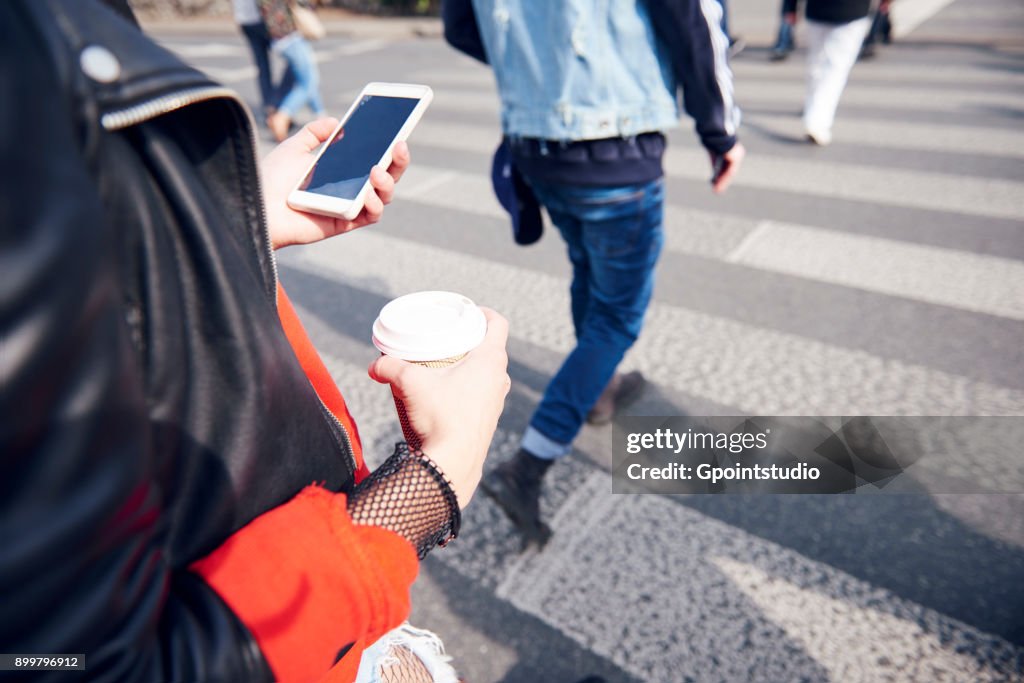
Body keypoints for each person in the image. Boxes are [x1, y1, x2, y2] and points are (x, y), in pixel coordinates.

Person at [1, 1, 511, 681]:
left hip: (298, 581)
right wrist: (431, 481)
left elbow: (105, 275)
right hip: (303, 624)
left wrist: (227, 229)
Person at [444, 0, 744, 547]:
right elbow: (692, 23)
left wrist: (537, 72)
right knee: (616, 318)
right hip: (615, 145)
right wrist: (719, 132)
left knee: (587, 266)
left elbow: (461, 26)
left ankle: (599, 387)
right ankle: (527, 467)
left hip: (535, 147)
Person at [785, 0, 874, 145]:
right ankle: (817, 120)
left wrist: (790, 8)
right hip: (849, 11)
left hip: (820, 11)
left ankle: (813, 111)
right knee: (833, 69)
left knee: (818, 65)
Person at [259, 0, 326, 141]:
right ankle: (282, 116)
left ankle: (321, 116)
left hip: (278, 35)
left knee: (304, 79)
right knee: (308, 82)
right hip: (290, 36)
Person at [234, 0, 294, 119]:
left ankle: (270, 107)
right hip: (265, 20)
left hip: (245, 19)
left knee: (263, 67)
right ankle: (276, 105)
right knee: (294, 63)